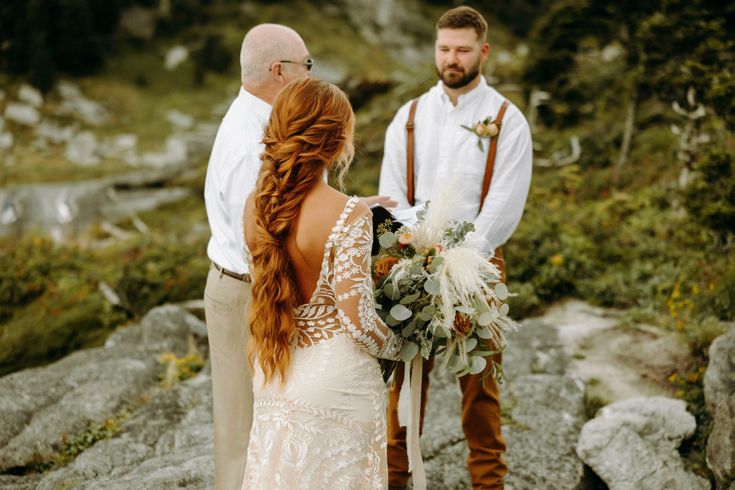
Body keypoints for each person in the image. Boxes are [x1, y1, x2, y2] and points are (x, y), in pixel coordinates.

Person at [378, 6, 533, 489]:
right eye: (444, 48)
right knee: (404, 384)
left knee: (481, 387)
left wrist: (464, 260)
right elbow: (393, 195)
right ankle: (396, 479)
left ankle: (488, 482)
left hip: (480, 264)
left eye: (463, 49)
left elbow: (504, 202)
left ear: (483, 51)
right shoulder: (410, 116)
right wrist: (419, 252)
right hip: (414, 261)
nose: (452, 58)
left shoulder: (507, 120)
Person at [240, 77, 402, 489]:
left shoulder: (256, 206)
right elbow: (358, 320)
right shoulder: (349, 214)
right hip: (338, 384)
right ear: (336, 140)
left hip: (274, 370)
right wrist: (401, 347)